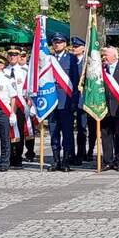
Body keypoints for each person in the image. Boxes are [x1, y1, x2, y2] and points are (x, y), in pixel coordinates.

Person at [47, 32, 80, 172]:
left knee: (67, 133)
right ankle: (55, 160)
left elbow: (76, 81)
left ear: (65, 44)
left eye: (60, 42)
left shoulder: (72, 59)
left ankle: (66, 160)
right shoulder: (48, 59)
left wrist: (74, 102)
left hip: (66, 101)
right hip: (51, 101)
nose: (57, 44)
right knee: (53, 132)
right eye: (55, 42)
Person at [71, 36, 96, 165]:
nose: (74, 48)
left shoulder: (89, 62)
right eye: (73, 46)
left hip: (87, 98)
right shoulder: (71, 61)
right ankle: (80, 153)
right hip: (75, 99)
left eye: (76, 47)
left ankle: (90, 150)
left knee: (90, 128)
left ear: (83, 48)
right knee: (80, 129)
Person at [4, 48, 28, 168]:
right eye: (10, 55)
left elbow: (29, 90)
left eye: (15, 55)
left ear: (19, 57)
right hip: (6, 105)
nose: (13, 57)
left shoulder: (24, 71)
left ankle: (18, 156)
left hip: (20, 106)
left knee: (19, 132)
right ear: (7, 57)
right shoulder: (3, 71)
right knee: (6, 132)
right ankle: (8, 156)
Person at [19, 50, 35, 161]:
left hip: (28, 101)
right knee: (17, 130)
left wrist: (31, 100)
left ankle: (30, 152)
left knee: (29, 129)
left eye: (24, 56)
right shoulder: (9, 70)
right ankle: (16, 154)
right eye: (19, 56)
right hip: (17, 103)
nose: (21, 58)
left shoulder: (30, 70)